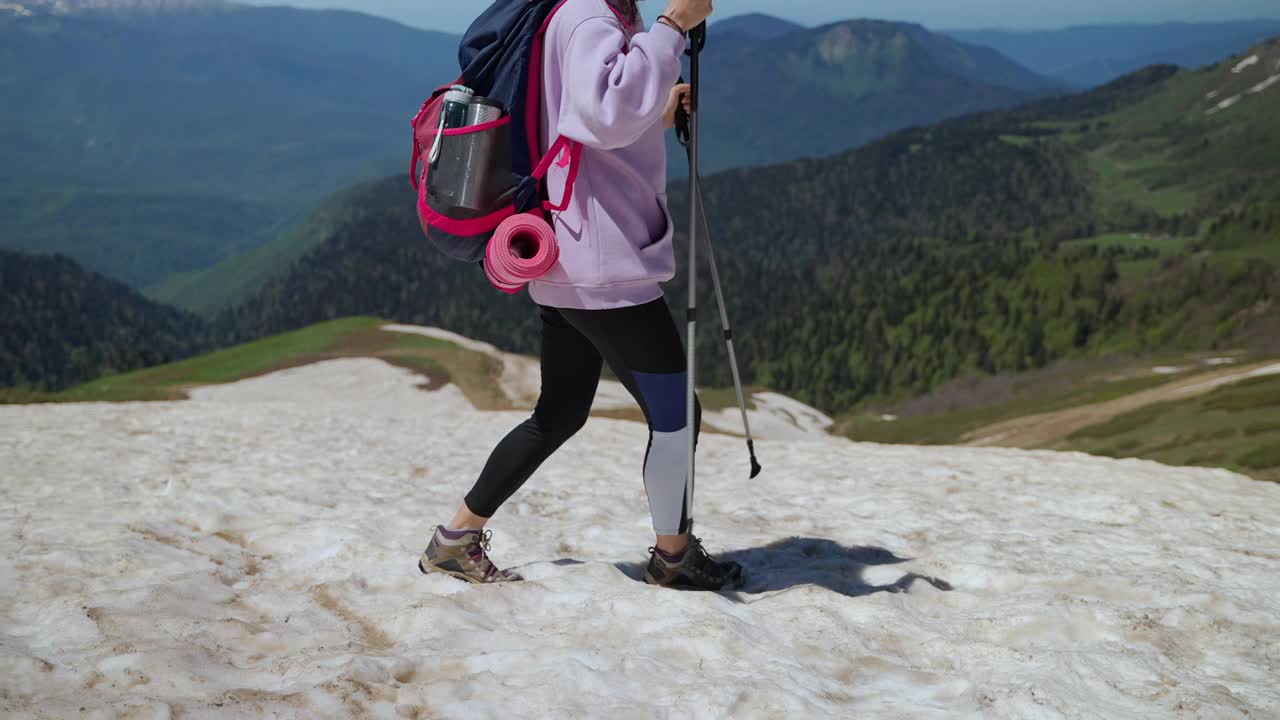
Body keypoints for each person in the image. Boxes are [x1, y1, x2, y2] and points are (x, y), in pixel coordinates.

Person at [419, 0, 740, 591]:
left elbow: (579, 118)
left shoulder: (567, 12)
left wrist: (659, 109)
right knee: (676, 417)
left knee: (559, 414)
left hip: (569, 253)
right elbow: (608, 113)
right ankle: (675, 558)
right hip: (603, 264)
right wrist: (671, 31)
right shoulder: (591, 15)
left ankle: (455, 540)